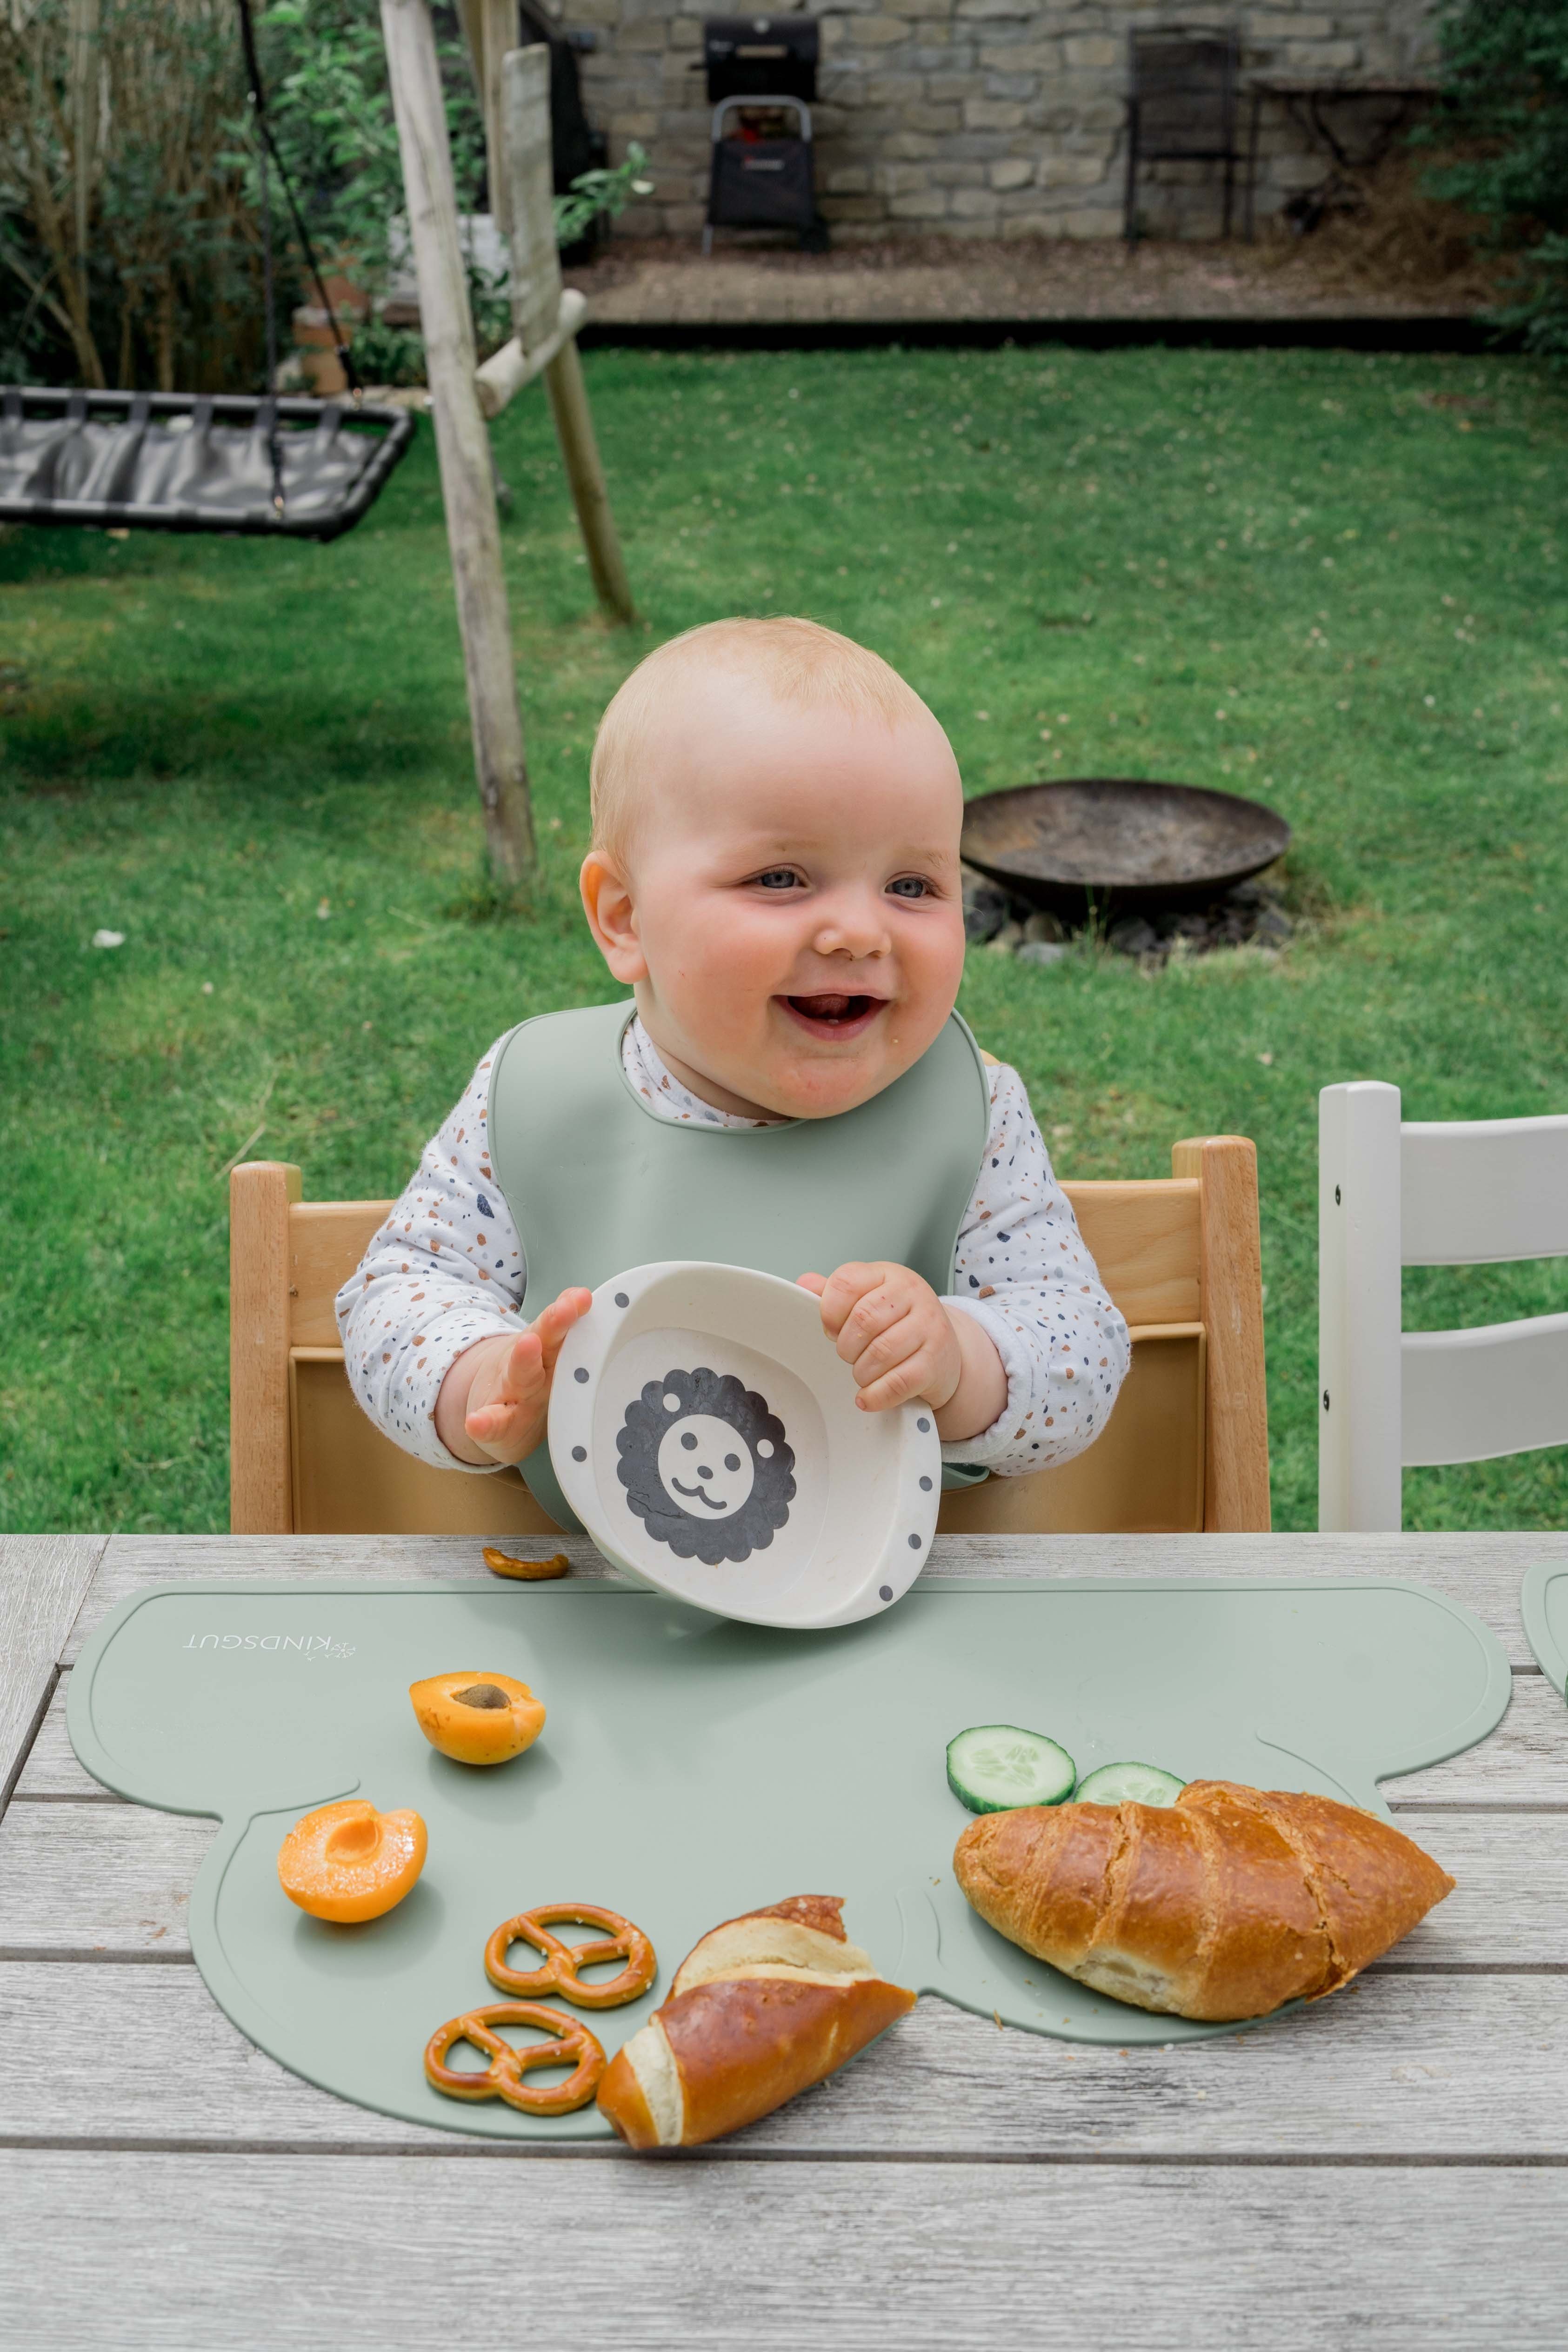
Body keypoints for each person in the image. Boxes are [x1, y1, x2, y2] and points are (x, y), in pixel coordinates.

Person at [337, 617, 1128, 1527]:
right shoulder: (536, 1095)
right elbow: (394, 1294)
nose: (859, 931)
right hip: (587, 1604)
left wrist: (961, 1357)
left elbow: (1083, 1347)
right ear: (625, 918)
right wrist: (477, 1378)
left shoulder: (967, 1108)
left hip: (892, 1602)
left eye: (911, 886)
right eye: (782, 878)